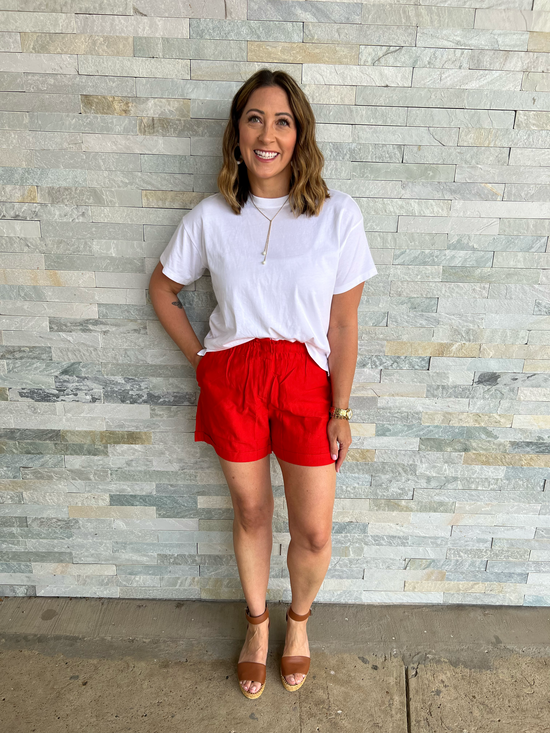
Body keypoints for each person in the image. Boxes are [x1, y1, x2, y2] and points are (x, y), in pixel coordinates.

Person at [148, 68, 377, 700]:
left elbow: (343, 322)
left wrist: (341, 409)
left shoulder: (337, 215)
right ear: (237, 133)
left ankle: (297, 621)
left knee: (314, 530)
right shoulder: (212, 216)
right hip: (235, 379)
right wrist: (202, 360)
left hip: (306, 382)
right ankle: (257, 625)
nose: (267, 134)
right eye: (255, 119)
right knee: (251, 511)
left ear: (300, 134)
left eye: (282, 121)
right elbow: (162, 290)